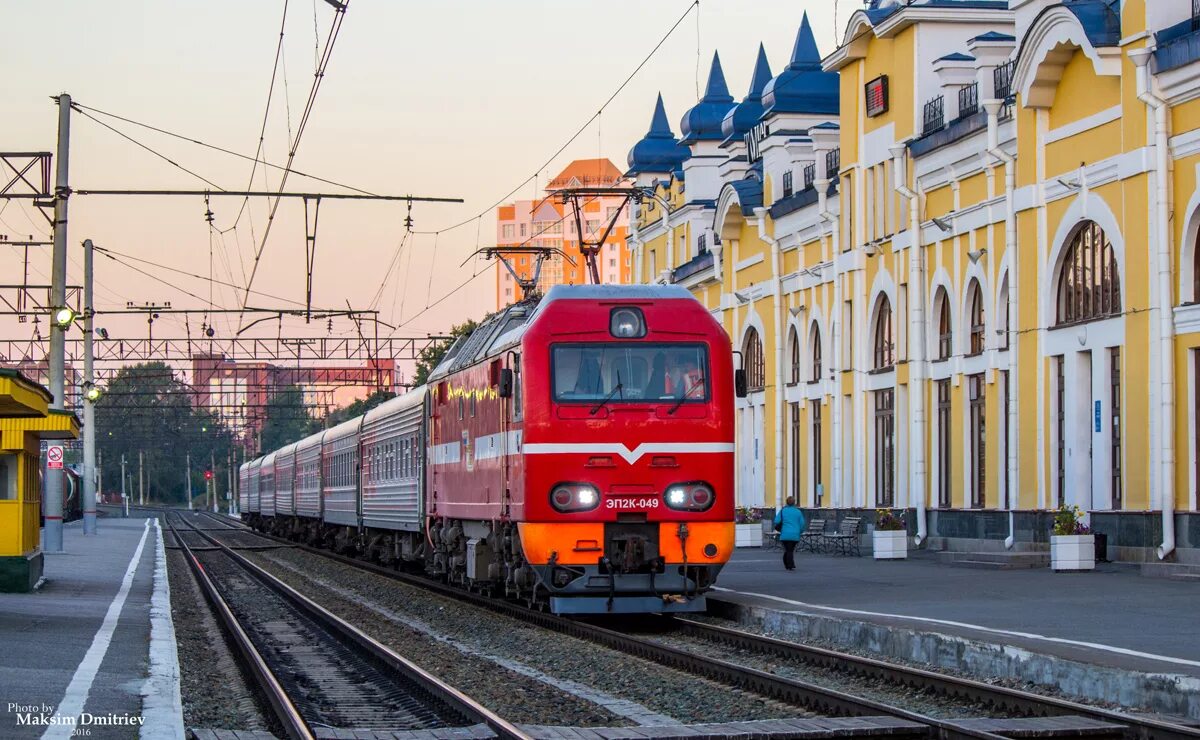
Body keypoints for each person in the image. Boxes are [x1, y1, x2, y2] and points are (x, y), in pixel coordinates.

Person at [773, 497, 806, 571]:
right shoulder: (798, 512)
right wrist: (800, 531)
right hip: (795, 534)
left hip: (784, 534)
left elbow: (776, 521)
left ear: (786, 502)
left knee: (788, 550)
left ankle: (788, 564)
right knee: (790, 550)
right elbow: (802, 523)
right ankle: (790, 564)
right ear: (794, 503)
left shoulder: (783, 511)